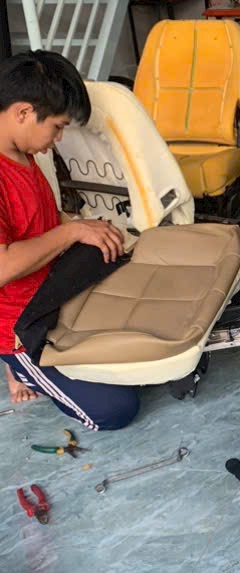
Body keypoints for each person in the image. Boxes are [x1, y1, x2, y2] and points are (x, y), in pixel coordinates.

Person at [0, 51, 139, 429]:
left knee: (142, 338)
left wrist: (81, 225)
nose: (58, 139)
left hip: (54, 290)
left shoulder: (21, 151)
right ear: (24, 112)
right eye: (57, 127)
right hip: (22, 326)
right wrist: (72, 231)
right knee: (116, 408)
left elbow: (37, 218)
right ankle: (18, 365)